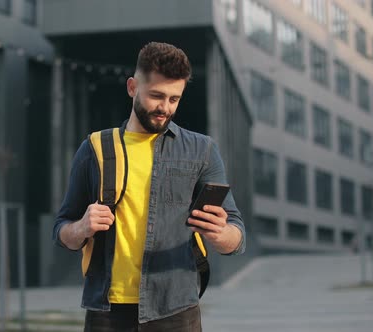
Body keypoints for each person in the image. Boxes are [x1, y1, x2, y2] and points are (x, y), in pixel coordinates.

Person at [53, 41, 246, 331]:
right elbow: (61, 231)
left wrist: (220, 234)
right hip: (107, 312)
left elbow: (237, 236)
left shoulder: (202, 150)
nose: (165, 108)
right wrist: (82, 227)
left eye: (174, 99)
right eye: (157, 96)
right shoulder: (95, 148)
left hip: (176, 310)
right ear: (132, 87)